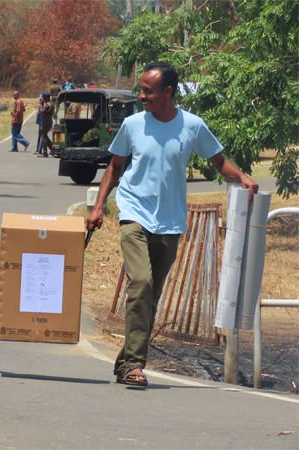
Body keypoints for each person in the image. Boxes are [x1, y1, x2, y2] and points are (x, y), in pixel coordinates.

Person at [86, 62, 258, 387]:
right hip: (134, 212)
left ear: (168, 92)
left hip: (171, 221)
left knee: (151, 296)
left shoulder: (192, 126)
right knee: (140, 282)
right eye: (141, 89)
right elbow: (115, 167)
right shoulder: (133, 124)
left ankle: (125, 360)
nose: (141, 96)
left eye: (148, 91)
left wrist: (243, 178)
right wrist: (98, 207)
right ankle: (136, 364)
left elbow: (218, 161)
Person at [38, 92, 53, 158]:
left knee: (43, 135)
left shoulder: (48, 105)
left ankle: (45, 152)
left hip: (46, 120)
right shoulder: (52, 103)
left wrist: (41, 105)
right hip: (49, 120)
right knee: (45, 135)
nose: (43, 100)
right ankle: (52, 149)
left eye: (44, 98)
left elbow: (42, 111)